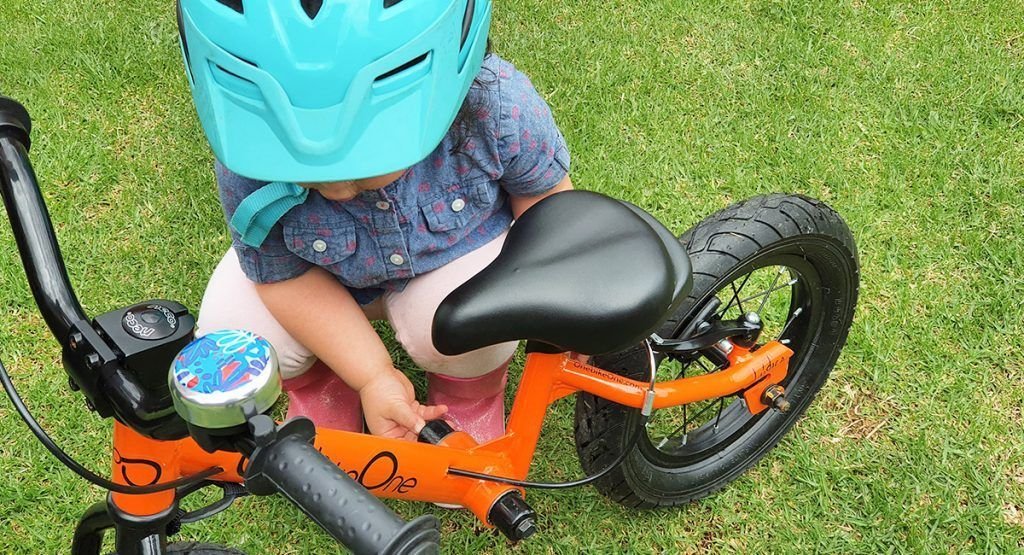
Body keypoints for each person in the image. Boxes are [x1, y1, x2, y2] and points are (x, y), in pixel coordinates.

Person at [176, 0, 572, 443]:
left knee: (480, 314)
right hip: (321, 277)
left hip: (448, 267)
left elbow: (548, 213)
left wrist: (564, 301)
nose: (339, 191)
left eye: (360, 169)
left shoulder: (495, 107)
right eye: (302, 172)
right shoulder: (246, 143)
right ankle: (326, 385)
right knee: (233, 328)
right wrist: (371, 376)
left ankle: (470, 395)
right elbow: (281, 276)